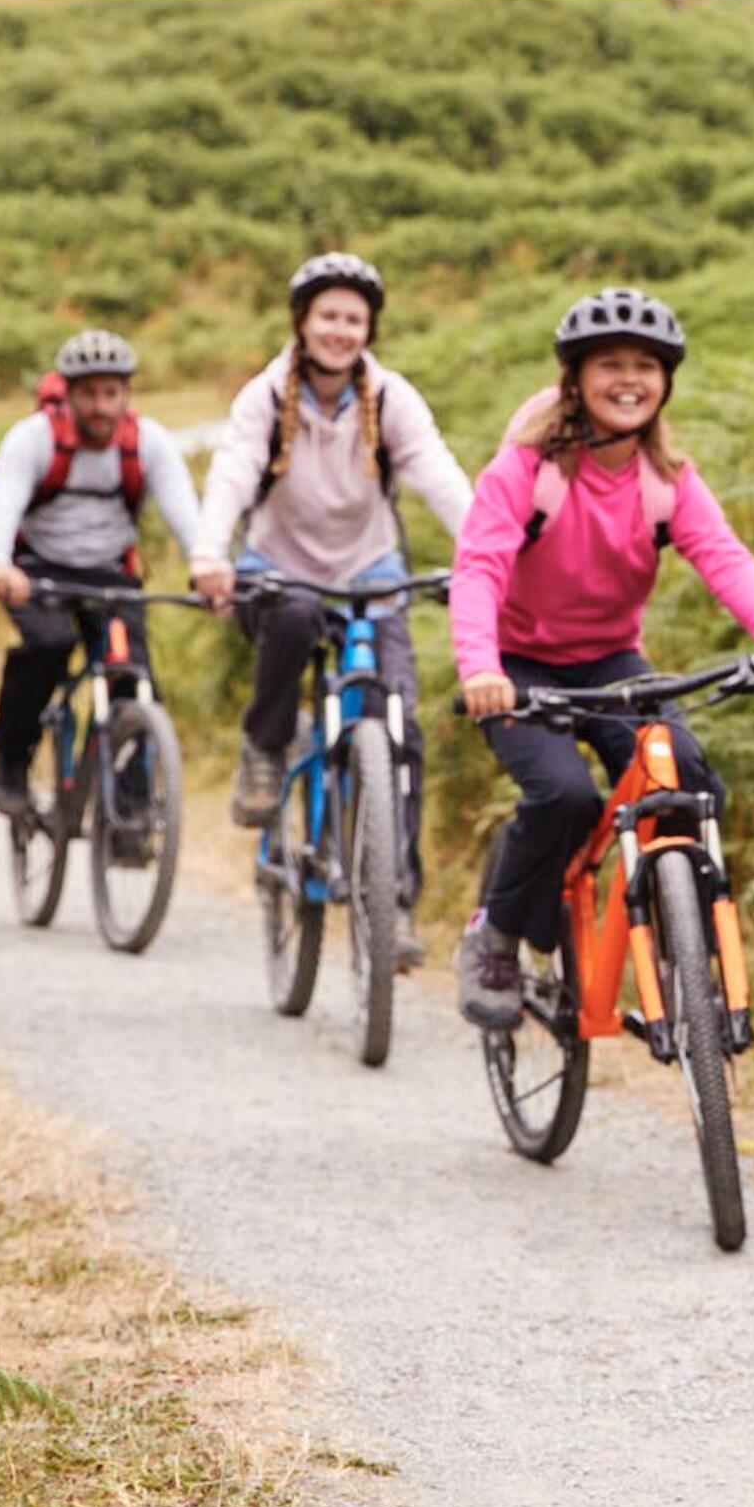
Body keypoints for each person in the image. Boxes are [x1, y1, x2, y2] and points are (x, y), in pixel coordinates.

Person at [450, 287, 754, 1029]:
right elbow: (479, 567)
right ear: (575, 380)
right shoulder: (526, 470)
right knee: (564, 797)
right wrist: (481, 669)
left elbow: (723, 556)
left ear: (666, 381)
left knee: (686, 775)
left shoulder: (666, 479)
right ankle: (494, 935)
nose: (629, 380)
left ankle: (692, 952)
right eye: (610, 364)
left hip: (612, 660)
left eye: (646, 366)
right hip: (518, 666)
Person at [196, 253, 472, 970]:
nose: (341, 330)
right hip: (278, 566)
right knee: (289, 619)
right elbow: (231, 471)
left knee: (399, 725)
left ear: (369, 328)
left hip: (370, 569)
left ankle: (395, 906)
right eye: (329, 316)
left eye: (354, 319)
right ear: (302, 322)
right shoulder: (265, 395)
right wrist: (209, 553)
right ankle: (265, 746)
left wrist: (484, 551)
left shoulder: (391, 397)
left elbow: (436, 472)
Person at [0, 329, 220, 819]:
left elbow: (188, 519)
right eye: (88, 393)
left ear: (127, 394)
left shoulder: (149, 443)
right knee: (48, 647)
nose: (100, 406)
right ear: (67, 394)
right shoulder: (33, 439)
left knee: (135, 679)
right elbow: (0, 506)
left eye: (110, 393)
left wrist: (209, 565)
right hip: (39, 574)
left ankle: (130, 811)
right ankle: (13, 756)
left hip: (111, 577)